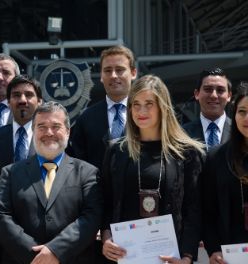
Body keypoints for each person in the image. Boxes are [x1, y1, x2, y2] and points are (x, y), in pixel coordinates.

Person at [101, 75, 205, 264]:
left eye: (149, 104)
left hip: (168, 259)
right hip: (125, 256)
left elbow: (193, 209)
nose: (141, 111)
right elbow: (107, 202)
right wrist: (106, 236)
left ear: (162, 107)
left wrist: (187, 257)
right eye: (136, 104)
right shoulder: (117, 151)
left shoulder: (187, 153)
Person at [0, 101, 103, 264]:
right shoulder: (11, 173)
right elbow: (1, 216)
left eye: (56, 126)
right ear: (33, 130)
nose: (48, 132)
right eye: (41, 126)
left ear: (68, 131)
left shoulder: (87, 173)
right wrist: (37, 257)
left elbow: (91, 218)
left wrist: (55, 251)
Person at [202, 82, 248, 264]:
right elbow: (208, 212)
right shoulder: (216, 157)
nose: (246, 118)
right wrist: (213, 249)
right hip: (230, 255)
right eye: (242, 111)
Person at [71, 45, 137, 169]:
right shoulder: (85, 119)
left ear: (133, 73)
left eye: (119, 69)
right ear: (101, 76)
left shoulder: (148, 114)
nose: (113, 75)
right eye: (107, 70)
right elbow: (78, 164)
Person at [0, 74, 43, 175]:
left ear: (39, 101)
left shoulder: (49, 137)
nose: (22, 100)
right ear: (8, 102)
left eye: (28, 95)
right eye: (16, 95)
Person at [183, 68, 232, 150]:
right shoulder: (181, 134)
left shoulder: (241, 131)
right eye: (208, 89)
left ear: (229, 96)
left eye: (220, 90)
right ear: (197, 94)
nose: (214, 95)